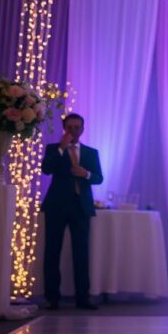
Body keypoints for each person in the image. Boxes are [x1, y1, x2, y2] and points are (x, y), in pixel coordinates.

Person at [40, 113, 103, 311]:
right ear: (64, 128)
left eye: (77, 127)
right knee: (52, 252)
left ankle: (82, 298)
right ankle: (52, 298)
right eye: (70, 127)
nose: (73, 131)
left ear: (83, 129)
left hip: (81, 207)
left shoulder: (91, 153)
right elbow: (46, 169)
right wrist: (61, 147)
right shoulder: (53, 149)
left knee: (82, 253)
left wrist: (86, 174)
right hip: (57, 207)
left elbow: (99, 178)